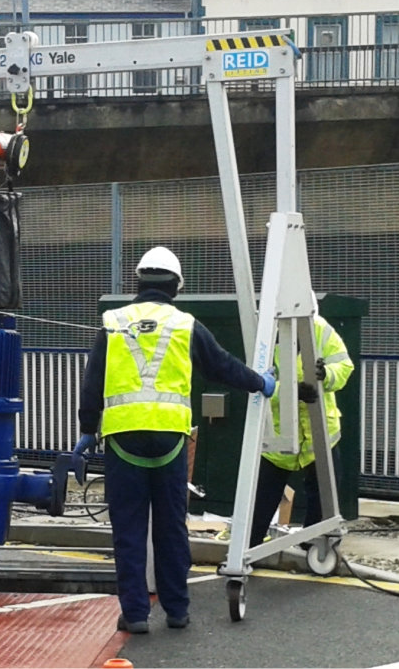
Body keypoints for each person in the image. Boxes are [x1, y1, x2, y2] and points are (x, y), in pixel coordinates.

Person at [75, 246, 276, 634]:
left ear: (137, 281)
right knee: (171, 526)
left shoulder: (113, 321)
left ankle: (134, 615)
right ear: (177, 286)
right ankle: (177, 610)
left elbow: (92, 380)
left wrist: (87, 429)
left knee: (129, 530)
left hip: (122, 439)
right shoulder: (185, 324)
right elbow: (222, 366)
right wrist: (261, 382)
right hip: (170, 442)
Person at [247, 313, 353, 549]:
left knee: (325, 493)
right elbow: (253, 381)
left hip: (319, 431)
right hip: (278, 432)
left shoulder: (319, 328)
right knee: (264, 495)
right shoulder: (265, 334)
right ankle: (251, 546)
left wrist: (326, 375)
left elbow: (344, 365)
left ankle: (313, 543)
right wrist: (290, 391)